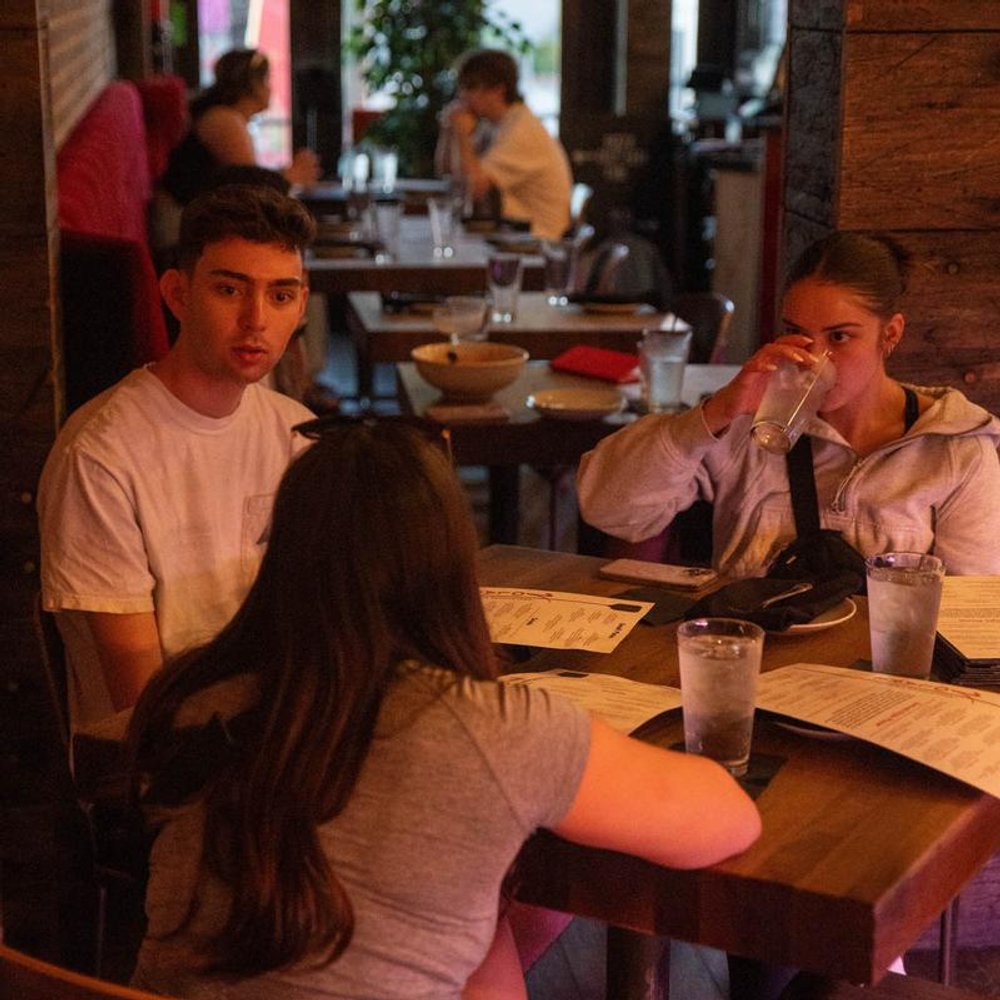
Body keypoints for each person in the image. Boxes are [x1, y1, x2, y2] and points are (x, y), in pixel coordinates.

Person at [126, 421, 761, 999]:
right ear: (450, 564)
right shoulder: (491, 728)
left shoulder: (190, 697)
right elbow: (729, 821)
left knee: (482, 916)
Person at [37, 184, 316, 729]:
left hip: (279, 737)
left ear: (301, 304)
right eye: (230, 290)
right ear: (178, 294)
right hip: (160, 768)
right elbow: (138, 696)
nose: (256, 319)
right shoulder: (101, 454)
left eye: (280, 295)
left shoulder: (294, 430)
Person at [578, 231, 1000, 577]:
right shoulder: (748, 424)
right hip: (750, 658)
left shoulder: (957, 450)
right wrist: (717, 413)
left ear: (889, 335)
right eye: (796, 332)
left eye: (838, 337)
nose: (812, 359)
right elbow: (609, 509)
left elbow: (968, 616)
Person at [435, 48, 573, 240]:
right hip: (513, 232)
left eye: (470, 87)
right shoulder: (496, 124)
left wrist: (461, 135)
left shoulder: (522, 129)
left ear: (498, 90)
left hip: (538, 241)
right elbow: (448, 172)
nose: (461, 96)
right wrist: (448, 130)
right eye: (461, 87)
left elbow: (474, 189)